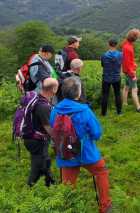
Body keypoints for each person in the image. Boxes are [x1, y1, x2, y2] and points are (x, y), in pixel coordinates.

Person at [50, 77, 114, 213]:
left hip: (65, 154)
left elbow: (53, 130)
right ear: (78, 93)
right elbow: (96, 134)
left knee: (67, 186)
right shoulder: (85, 111)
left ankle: (66, 208)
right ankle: (105, 206)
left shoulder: (54, 111)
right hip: (86, 153)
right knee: (102, 172)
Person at [23, 78, 58, 187]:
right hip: (37, 142)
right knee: (37, 168)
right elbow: (51, 132)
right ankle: (30, 192)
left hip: (30, 137)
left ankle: (49, 181)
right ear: (53, 90)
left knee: (46, 161)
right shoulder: (43, 108)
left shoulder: (36, 98)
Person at [122, 29, 140, 115]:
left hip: (127, 70)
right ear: (136, 38)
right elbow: (128, 64)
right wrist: (133, 75)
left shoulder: (126, 45)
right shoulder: (128, 48)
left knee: (126, 87)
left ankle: (124, 103)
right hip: (130, 71)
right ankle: (138, 107)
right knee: (134, 89)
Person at [101, 39, 123, 117]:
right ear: (117, 45)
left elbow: (102, 64)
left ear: (108, 45)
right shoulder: (121, 55)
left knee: (105, 95)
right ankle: (119, 112)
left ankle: (103, 113)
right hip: (117, 77)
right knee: (117, 94)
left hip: (106, 77)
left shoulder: (104, 55)